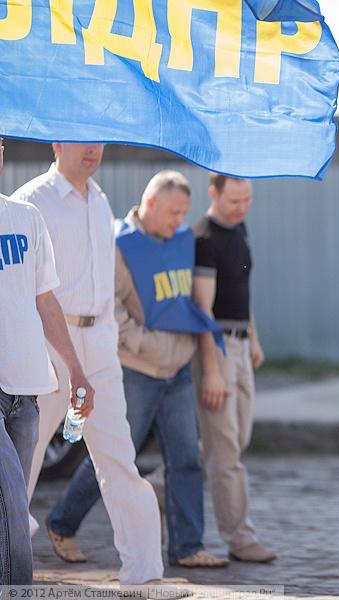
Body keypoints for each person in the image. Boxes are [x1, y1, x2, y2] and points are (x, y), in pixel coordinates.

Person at [45, 170, 228, 568]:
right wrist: (151, 346)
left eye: (184, 213)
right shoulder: (119, 245)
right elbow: (116, 311)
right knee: (111, 459)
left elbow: (189, 302)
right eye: (173, 212)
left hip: (176, 370)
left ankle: (187, 547)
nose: (180, 221)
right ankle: (62, 523)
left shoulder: (180, 241)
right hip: (137, 370)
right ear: (149, 204)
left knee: (185, 459)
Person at [13, 143, 164, 584]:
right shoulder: (31, 201)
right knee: (22, 463)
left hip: (101, 345)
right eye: (81, 137)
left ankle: (144, 574)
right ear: (57, 143)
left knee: (120, 459)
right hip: (46, 344)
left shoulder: (100, 202)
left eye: (99, 138)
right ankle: (10, 565)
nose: (93, 148)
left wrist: (108, 341)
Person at [0, 137, 95, 584]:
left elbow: (45, 302)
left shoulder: (26, 217)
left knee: (9, 506)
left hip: (27, 390)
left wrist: (75, 370)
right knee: (14, 506)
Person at [192, 173, 274, 562]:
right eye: (233, 201)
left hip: (242, 346)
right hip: (218, 347)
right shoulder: (204, 238)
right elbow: (202, 308)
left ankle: (160, 490)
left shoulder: (240, 228)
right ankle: (240, 538)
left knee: (234, 440)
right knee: (225, 451)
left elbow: (243, 290)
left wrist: (253, 338)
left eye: (247, 200)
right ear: (214, 193)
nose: (241, 208)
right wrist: (211, 367)